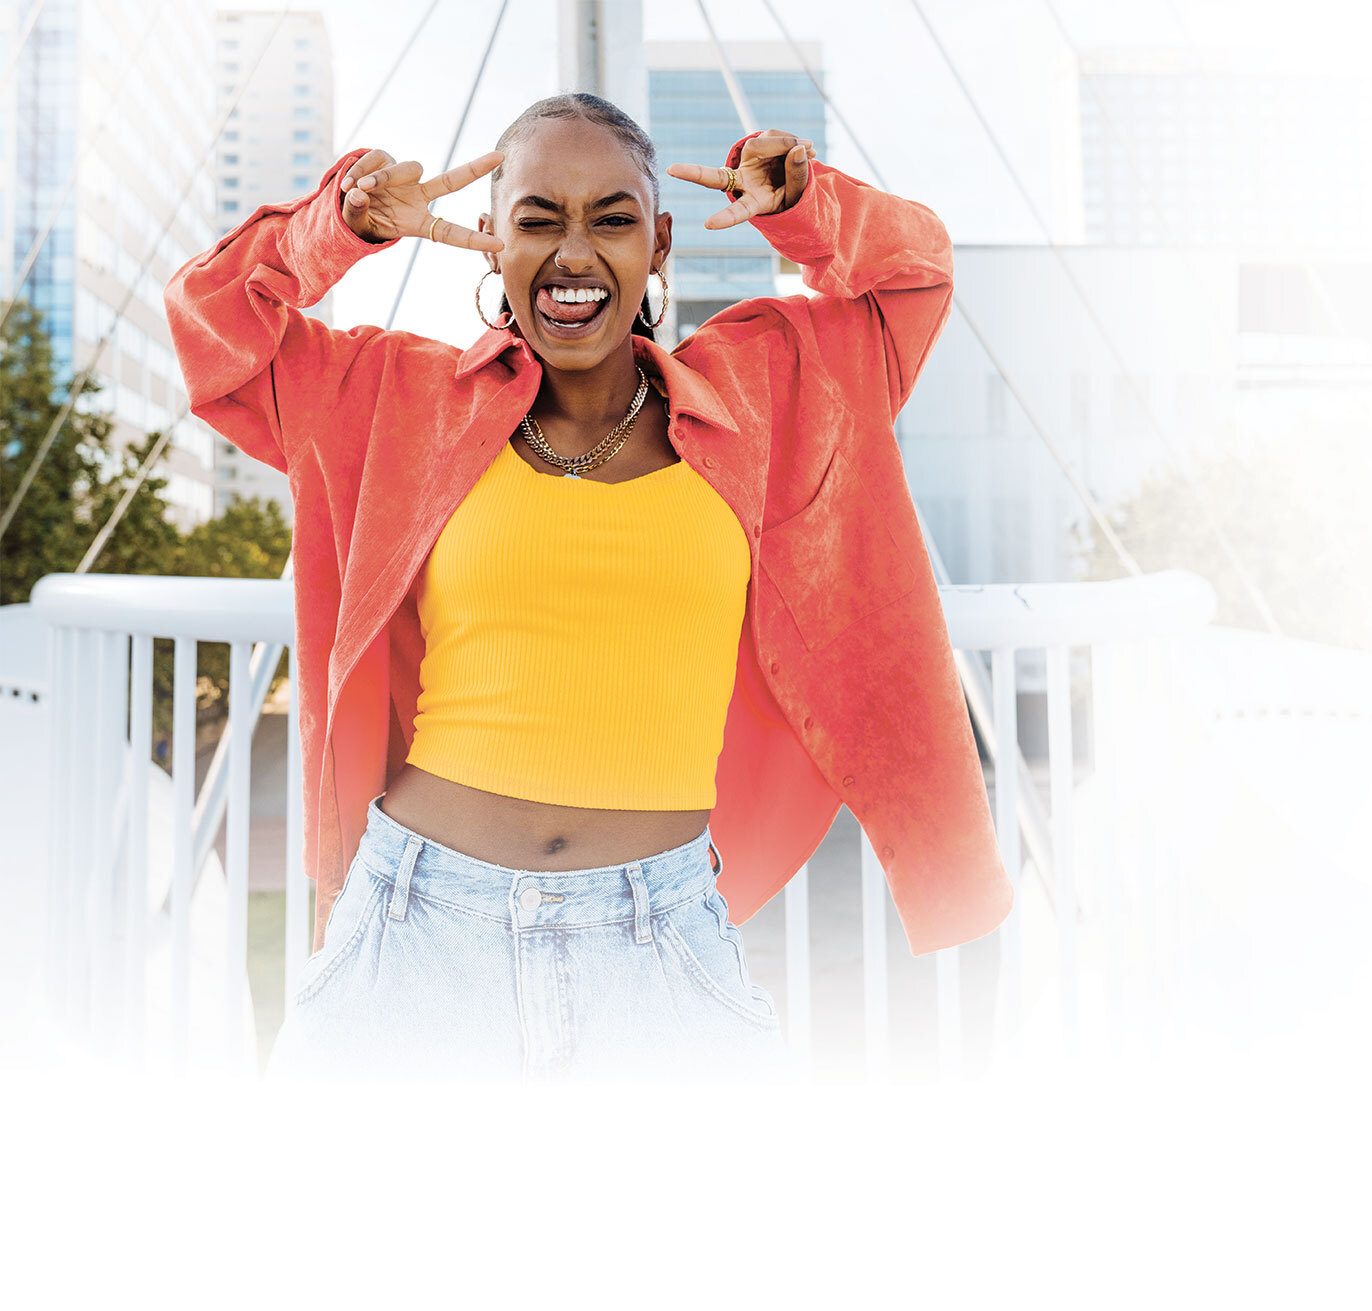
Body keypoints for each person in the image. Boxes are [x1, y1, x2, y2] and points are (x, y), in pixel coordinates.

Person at [164, 92, 1014, 1083]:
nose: (574, 254)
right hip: (415, 926)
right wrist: (334, 229)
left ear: (658, 244)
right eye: (537, 220)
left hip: (660, 938)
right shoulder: (397, 401)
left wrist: (806, 208)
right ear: (490, 241)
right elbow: (213, 330)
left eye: (611, 219)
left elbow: (913, 281)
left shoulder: (774, 390)